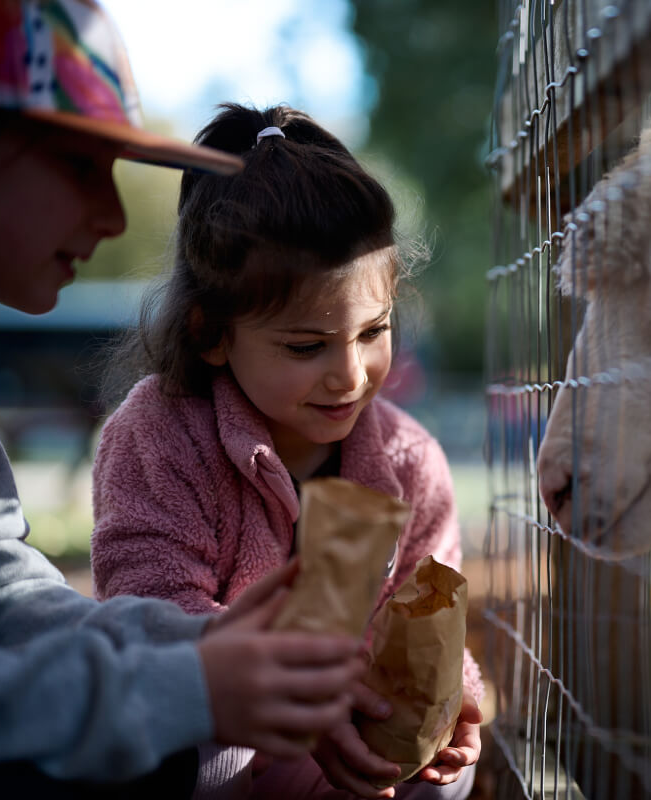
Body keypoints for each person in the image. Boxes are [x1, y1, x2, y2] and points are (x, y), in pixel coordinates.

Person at [0, 1, 369, 797]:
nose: (115, 218)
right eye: (81, 165)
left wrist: (207, 652)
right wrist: (186, 689)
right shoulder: (155, 436)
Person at [89, 101, 484, 799]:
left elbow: (436, 615)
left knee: (447, 775)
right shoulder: (155, 435)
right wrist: (300, 700)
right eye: (307, 346)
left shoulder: (410, 461)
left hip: (356, 757)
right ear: (210, 332)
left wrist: (458, 700)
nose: (350, 373)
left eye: (374, 331)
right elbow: (153, 612)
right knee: (202, 748)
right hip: (235, 736)